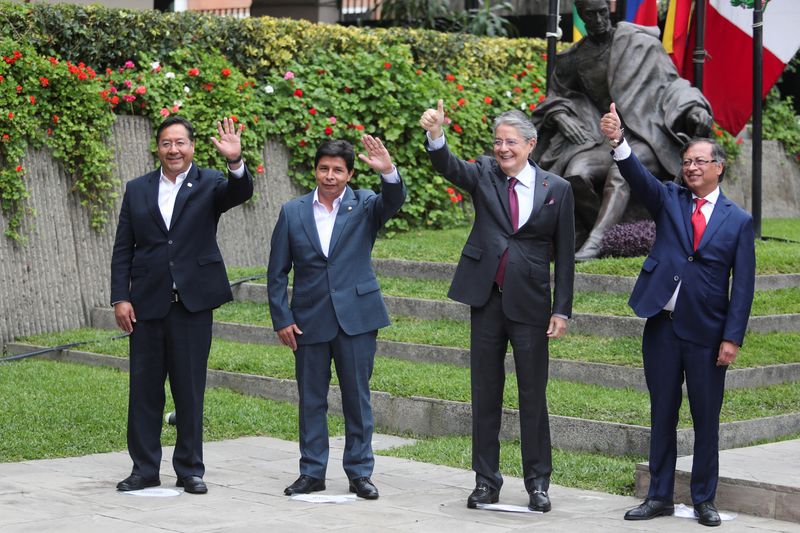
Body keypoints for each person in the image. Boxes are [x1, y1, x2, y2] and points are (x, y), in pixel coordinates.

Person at [600, 103, 755, 527]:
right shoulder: (669, 198)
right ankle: (659, 497)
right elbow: (638, 178)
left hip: (708, 335)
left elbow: (742, 286)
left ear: (718, 168)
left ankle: (704, 499)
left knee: (706, 420)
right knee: (662, 413)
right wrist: (618, 142)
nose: (690, 168)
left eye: (699, 162)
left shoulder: (738, 221)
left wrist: (732, 338)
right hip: (662, 328)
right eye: (686, 162)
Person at [419, 101, 574, 512]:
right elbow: (449, 166)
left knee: (532, 396)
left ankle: (538, 483)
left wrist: (562, 310)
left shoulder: (557, 189)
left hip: (532, 304)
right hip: (486, 299)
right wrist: (436, 135)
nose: (503, 148)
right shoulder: (484, 173)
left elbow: (566, 255)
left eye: (510, 142)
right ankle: (486, 481)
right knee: (485, 393)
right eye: (498, 141)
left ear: (530, 144)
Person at [110, 116, 254, 494]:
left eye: (181, 143)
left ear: (192, 146)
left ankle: (190, 469)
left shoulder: (210, 183)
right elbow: (123, 246)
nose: (173, 150)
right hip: (147, 303)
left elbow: (240, 193)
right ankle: (144, 469)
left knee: (189, 389)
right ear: (157, 148)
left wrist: (236, 162)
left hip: (192, 304)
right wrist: (120, 297)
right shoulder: (138, 189)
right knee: (144, 391)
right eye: (166, 143)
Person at [268, 136, 406, 500]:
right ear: (315, 170)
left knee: (356, 397)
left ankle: (360, 472)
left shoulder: (365, 204)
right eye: (324, 168)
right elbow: (277, 272)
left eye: (338, 170)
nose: (330, 176)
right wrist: (282, 317)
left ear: (350, 173)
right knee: (311, 398)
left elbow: (394, 200)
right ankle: (311, 472)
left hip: (357, 318)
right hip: (308, 319)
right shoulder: (293, 211)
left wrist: (388, 171)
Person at [532, 0, 712, 261]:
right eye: (590, 15)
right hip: (604, 139)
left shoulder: (639, 43)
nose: (598, 20)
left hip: (646, 134)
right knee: (575, 174)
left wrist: (694, 109)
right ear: (582, 17)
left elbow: (673, 84)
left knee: (621, 169)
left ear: (610, 10)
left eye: (602, 12)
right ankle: (614, 231)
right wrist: (560, 115)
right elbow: (556, 95)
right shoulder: (575, 58)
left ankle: (596, 242)